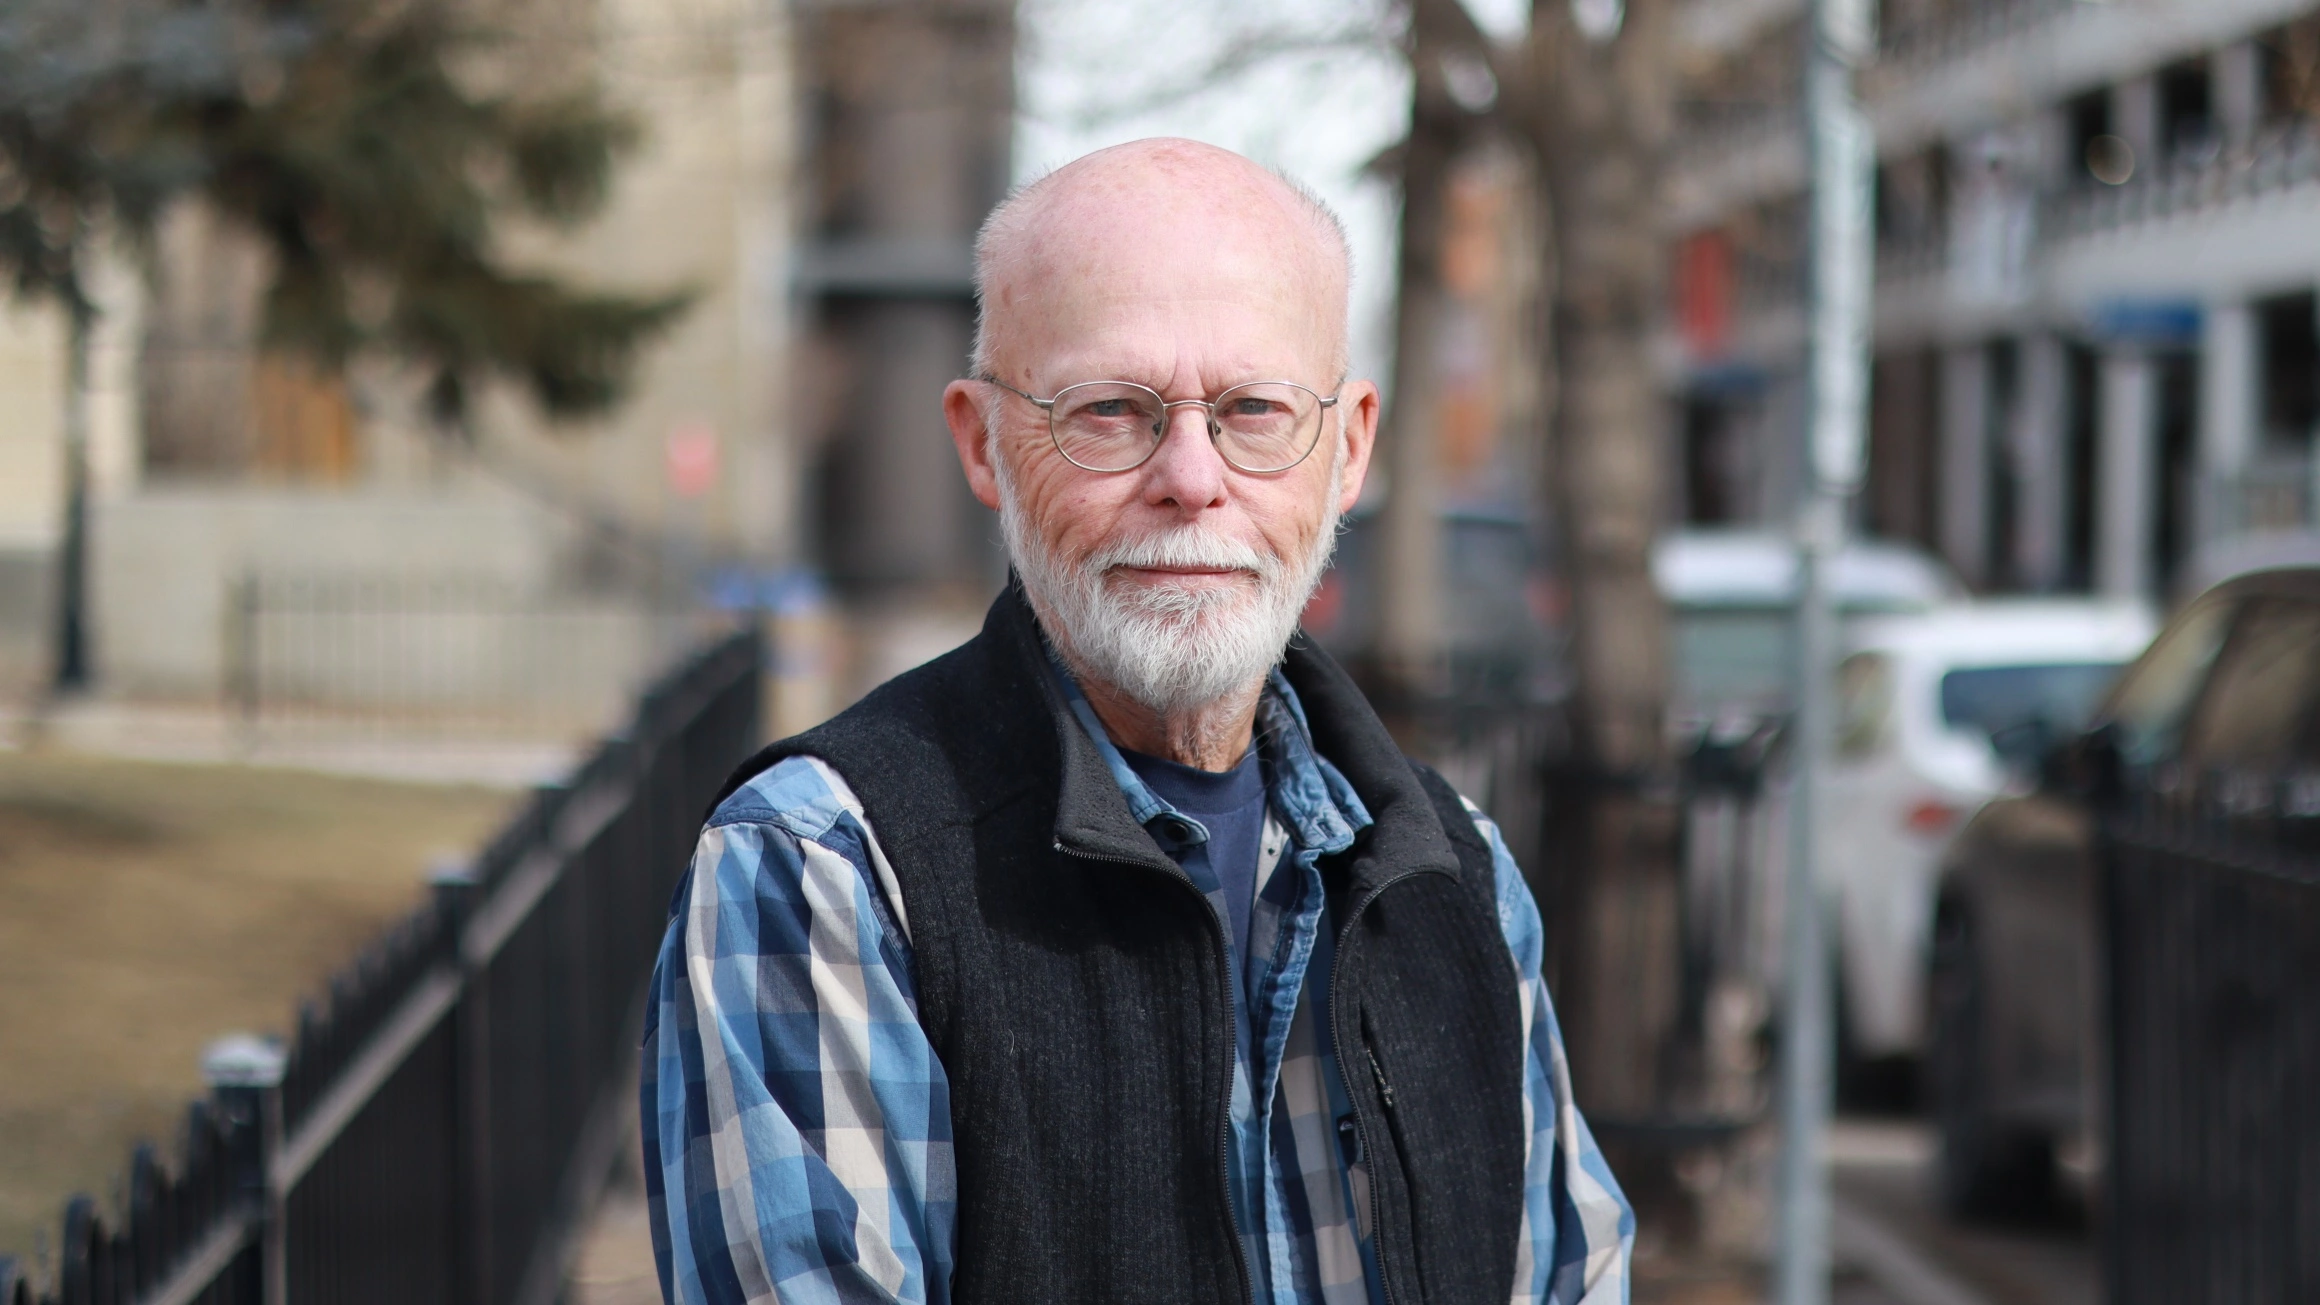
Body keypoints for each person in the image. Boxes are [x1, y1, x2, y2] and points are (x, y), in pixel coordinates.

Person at [641, 138, 1632, 1305]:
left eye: (1254, 411)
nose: (1191, 476)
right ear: (981, 443)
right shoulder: (823, 870)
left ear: (1349, 447)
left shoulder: (1453, 874)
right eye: (1110, 411)